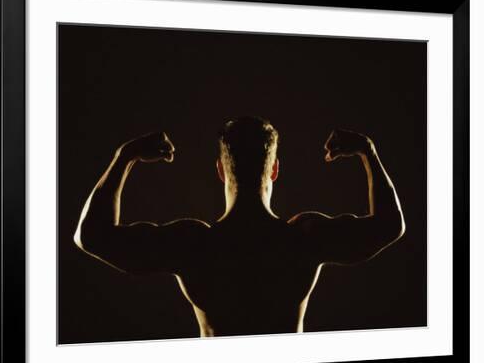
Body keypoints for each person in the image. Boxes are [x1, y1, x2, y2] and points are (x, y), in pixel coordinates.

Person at [74, 117, 405, 337]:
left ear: (219, 170)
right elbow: (391, 226)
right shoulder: (303, 240)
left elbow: (91, 236)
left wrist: (124, 156)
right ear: (275, 169)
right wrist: (368, 152)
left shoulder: (193, 246)